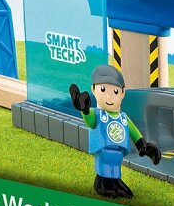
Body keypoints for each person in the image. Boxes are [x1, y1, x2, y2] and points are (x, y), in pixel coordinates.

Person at [69, 65, 161, 198]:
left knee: (115, 166)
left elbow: (133, 131)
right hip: (103, 150)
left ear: (122, 93)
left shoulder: (123, 118)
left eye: (115, 91)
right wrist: (85, 110)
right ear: (94, 90)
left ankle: (115, 182)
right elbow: (90, 122)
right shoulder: (98, 114)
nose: (109, 96)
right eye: (103, 89)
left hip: (118, 151)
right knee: (105, 164)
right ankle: (102, 183)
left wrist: (143, 145)